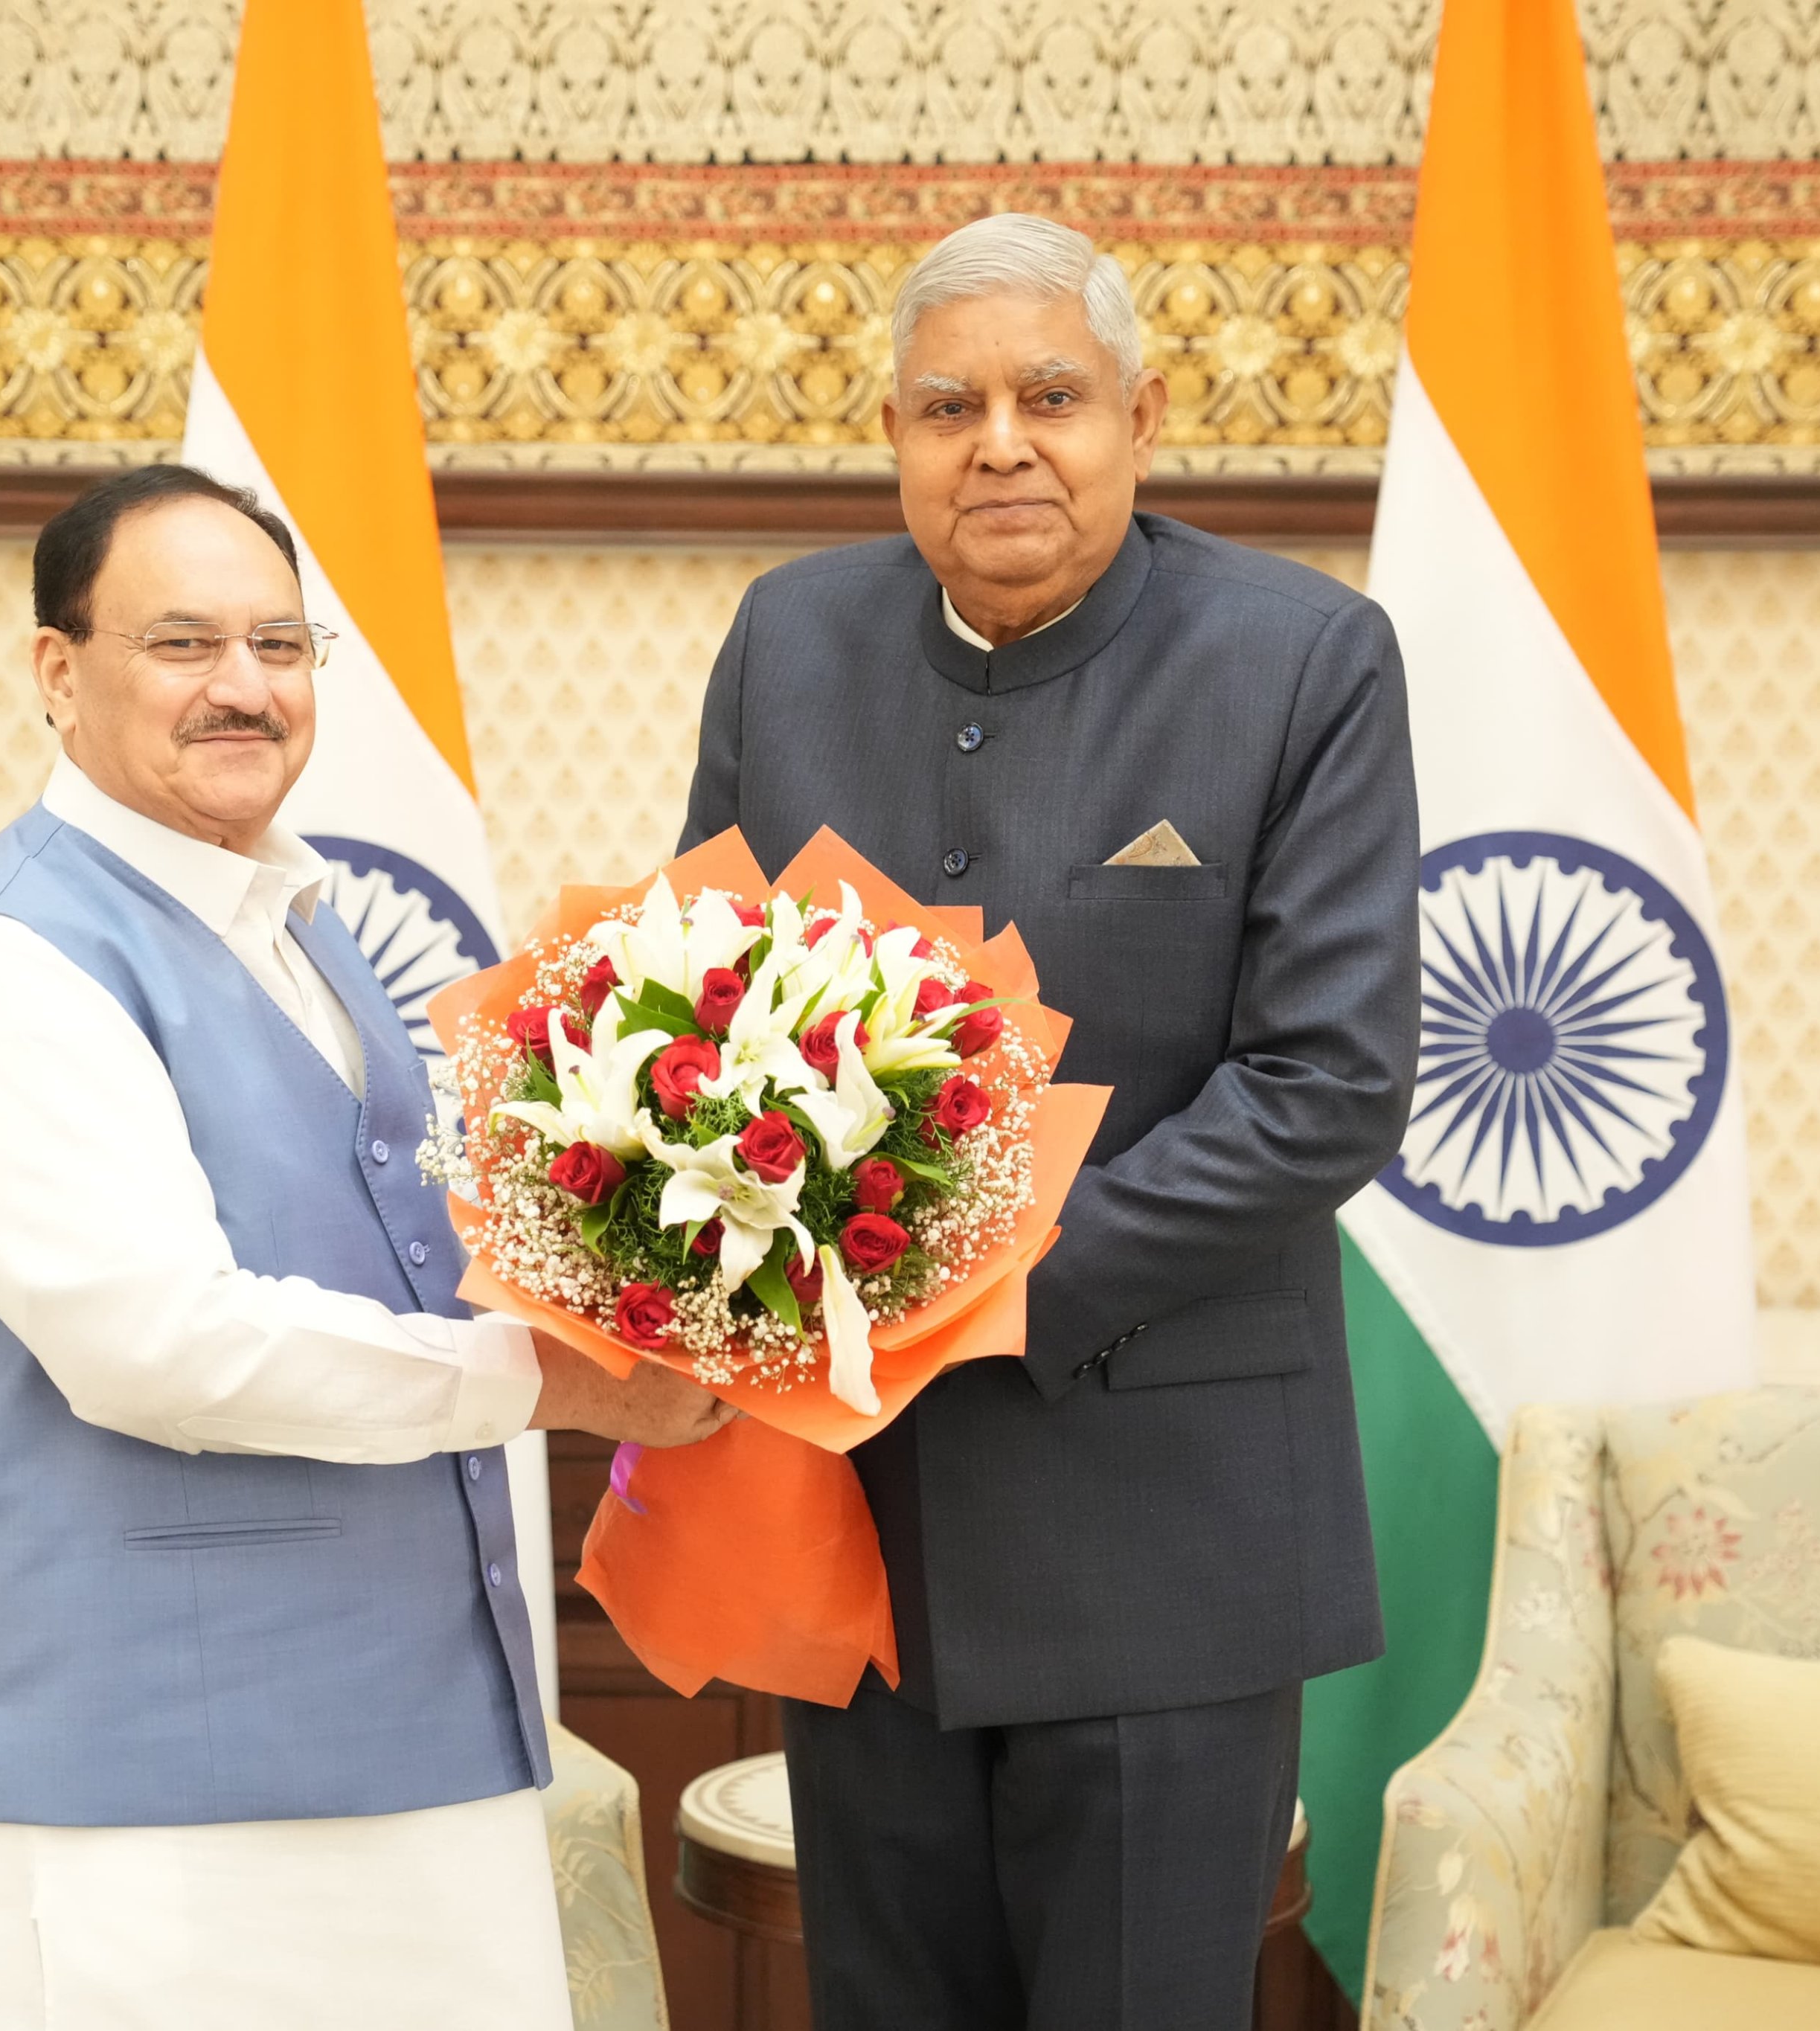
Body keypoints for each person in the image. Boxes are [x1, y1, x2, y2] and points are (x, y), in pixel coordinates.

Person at [0, 463, 731, 2031]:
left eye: (279, 642)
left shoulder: (306, 928)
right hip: (148, 1785)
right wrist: (556, 1383)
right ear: (59, 673)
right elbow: (156, 1347)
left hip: (420, 1730)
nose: (244, 687)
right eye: (182, 644)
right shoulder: (9, 966)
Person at [678, 214, 1421, 2028]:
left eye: (1048, 396)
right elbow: (694, 1005)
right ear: (894, 436)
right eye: (948, 405)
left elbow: (1324, 1084)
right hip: (858, 1533)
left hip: (1160, 1532)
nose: (997, 441)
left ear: (1139, 418)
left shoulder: (1303, 659)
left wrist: (970, 1284)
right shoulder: (789, 639)